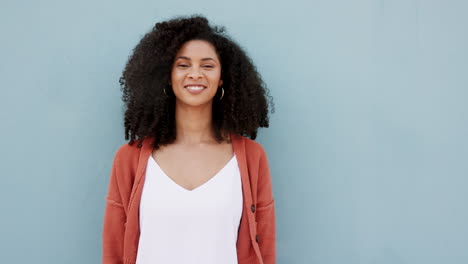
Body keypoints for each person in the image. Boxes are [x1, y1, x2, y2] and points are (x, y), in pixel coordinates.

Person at [102, 14, 276, 264]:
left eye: (207, 66)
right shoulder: (129, 158)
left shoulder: (252, 158)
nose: (195, 74)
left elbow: (265, 248)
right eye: (183, 65)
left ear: (222, 78)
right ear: (167, 75)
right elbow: (114, 249)